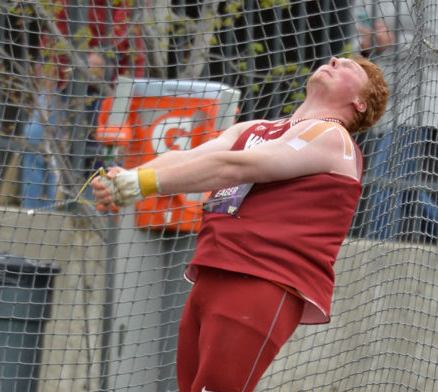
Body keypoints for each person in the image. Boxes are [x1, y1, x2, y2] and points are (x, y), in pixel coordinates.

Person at [90, 56, 389, 391]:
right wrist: (131, 176)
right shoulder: (256, 129)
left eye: (350, 67)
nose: (335, 60)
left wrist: (142, 184)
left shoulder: (332, 136)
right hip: (214, 270)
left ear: (360, 103)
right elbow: (194, 157)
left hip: (263, 280)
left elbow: (237, 166)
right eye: (337, 59)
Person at [19, 0, 145, 209]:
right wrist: (73, 64)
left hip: (110, 90)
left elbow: (125, 37)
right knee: (36, 136)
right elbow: (52, 37)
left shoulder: (126, 5)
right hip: (64, 84)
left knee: (106, 154)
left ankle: (88, 213)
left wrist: (104, 57)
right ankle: (36, 213)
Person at [352, 0, 438, 242]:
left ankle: (376, 252)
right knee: (406, 189)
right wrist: (365, 45)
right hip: (383, 100)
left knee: (385, 180)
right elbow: (354, 39)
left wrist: (392, 41)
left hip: (422, 98)